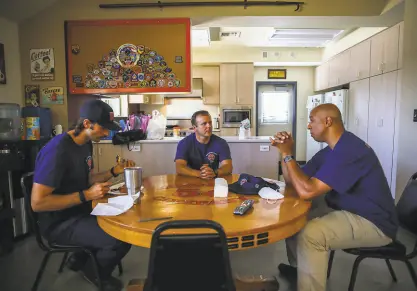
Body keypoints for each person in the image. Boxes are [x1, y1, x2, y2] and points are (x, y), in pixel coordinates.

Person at [270, 103, 398, 291]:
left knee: (312, 234)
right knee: (294, 218)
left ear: (328, 121)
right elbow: (294, 181)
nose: (308, 126)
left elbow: (307, 190)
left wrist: (289, 154)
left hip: (374, 221)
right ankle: (301, 271)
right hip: (350, 208)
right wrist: (283, 153)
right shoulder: (331, 150)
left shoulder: (349, 149)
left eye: (312, 121)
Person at [32, 100, 135, 291]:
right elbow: (38, 203)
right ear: (87, 124)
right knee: (121, 238)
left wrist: (114, 171)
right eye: (103, 128)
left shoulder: (84, 144)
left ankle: (78, 259)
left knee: (125, 221)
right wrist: (85, 196)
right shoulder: (57, 150)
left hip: (80, 212)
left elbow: (87, 179)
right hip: (58, 223)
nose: (106, 133)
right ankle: (93, 272)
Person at [175, 110, 233, 179]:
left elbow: (228, 166)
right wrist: (200, 174)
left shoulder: (221, 143)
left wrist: (215, 172)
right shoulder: (184, 143)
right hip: (190, 181)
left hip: (212, 180)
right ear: (194, 128)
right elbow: (179, 167)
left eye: (210, 123)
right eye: (204, 124)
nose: (209, 126)